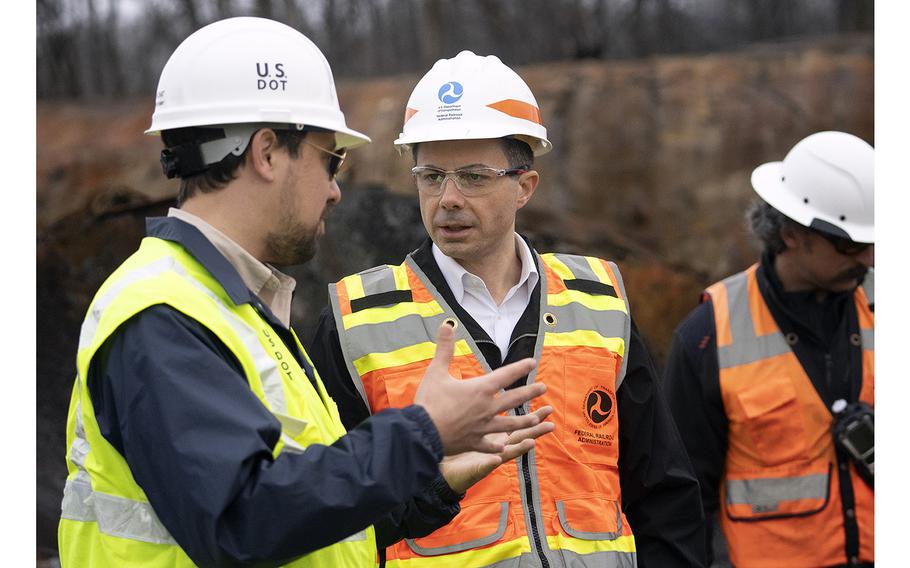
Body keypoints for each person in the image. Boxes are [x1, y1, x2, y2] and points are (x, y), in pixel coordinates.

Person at [57, 18, 554, 567]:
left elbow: (300, 516)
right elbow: (240, 523)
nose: (337, 190)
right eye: (329, 159)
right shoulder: (162, 314)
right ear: (268, 153)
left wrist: (429, 488)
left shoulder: (231, 309)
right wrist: (420, 432)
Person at [310, 50, 707, 568]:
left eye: (473, 176)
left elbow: (663, 495)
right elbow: (330, 515)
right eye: (431, 176)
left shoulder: (599, 301)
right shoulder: (355, 324)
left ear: (524, 186)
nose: (447, 198)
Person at [662, 131, 874, 567]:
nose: (869, 259)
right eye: (851, 245)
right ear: (794, 234)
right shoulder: (708, 335)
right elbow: (682, 500)